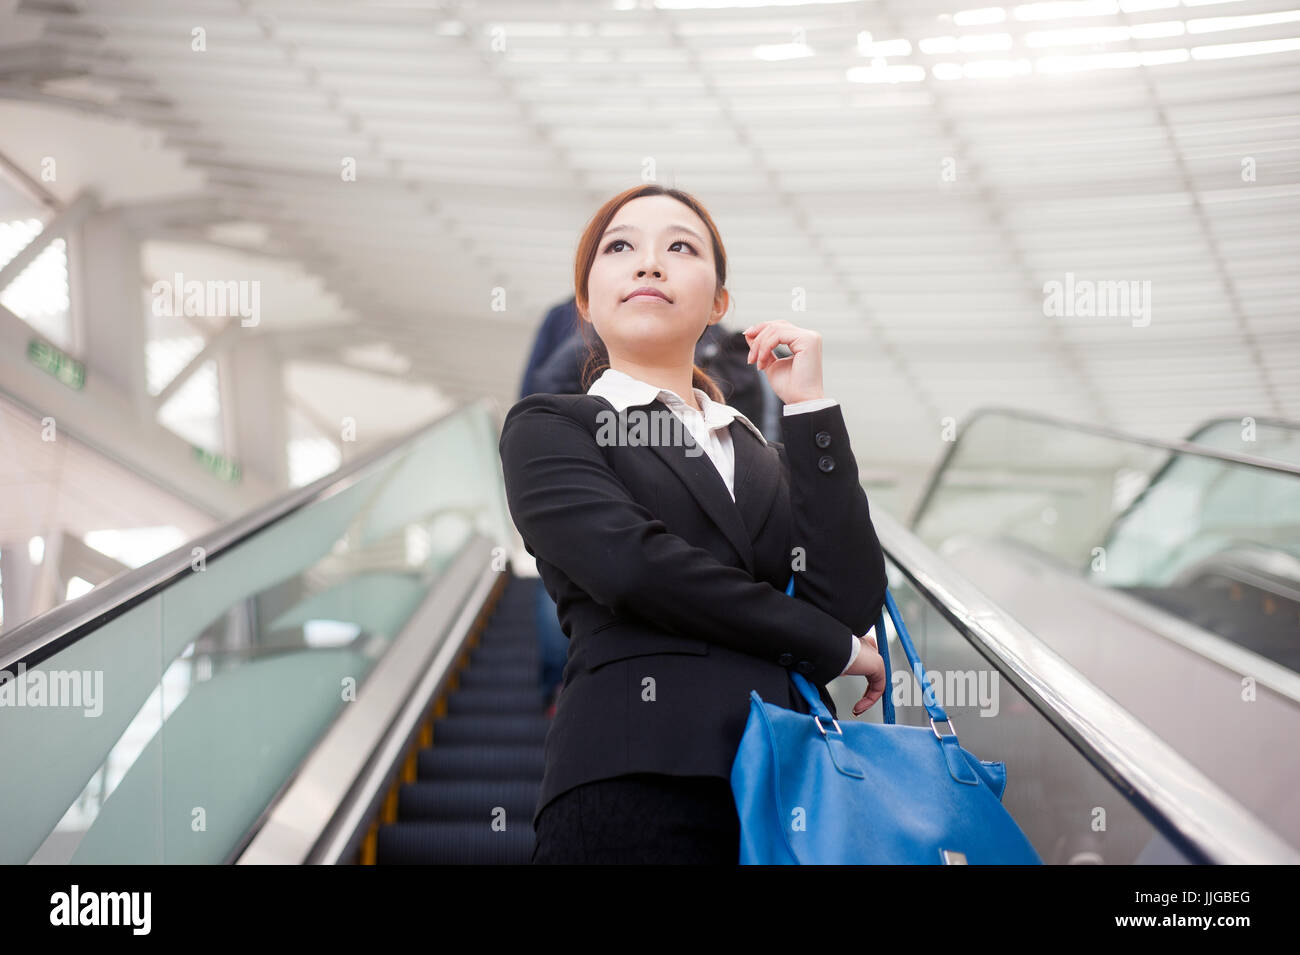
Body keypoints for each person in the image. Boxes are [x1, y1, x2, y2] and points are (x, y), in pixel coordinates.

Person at [498, 184, 889, 864]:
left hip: (791, 789)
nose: (650, 264)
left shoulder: (762, 453)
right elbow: (634, 567)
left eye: (680, 247)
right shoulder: (552, 427)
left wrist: (810, 410)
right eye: (621, 247)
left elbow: (850, 599)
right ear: (586, 302)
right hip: (634, 780)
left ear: (718, 306)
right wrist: (826, 643)